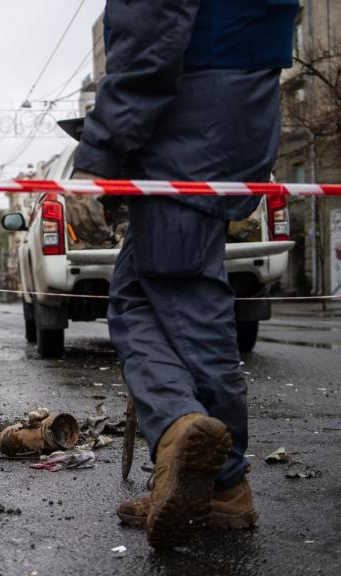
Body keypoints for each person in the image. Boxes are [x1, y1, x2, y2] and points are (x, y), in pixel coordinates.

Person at [72, 0, 299, 548]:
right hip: (229, 101)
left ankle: (216, 478)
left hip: (191, 109)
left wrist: (99, 152)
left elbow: (153, 34)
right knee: (135, 297)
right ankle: (185, 454)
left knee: (183, 296)